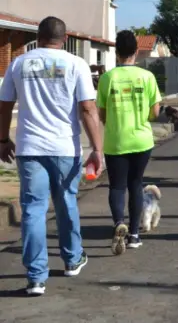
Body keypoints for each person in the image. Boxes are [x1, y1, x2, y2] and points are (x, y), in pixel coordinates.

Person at [0, 16, 103, 296]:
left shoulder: (19, 63)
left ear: (38, 35)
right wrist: (97, 148)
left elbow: (4, 104)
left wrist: (1, 139)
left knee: (33, 209)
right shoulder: (76, 64)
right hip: (64, 149)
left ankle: (35, 276)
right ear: (65, 38)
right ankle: (72, 259)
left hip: (29, 148)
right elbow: (87, 109)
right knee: (66, 202)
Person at [97, 30, 162, 256]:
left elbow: (102, 113)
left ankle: (118, 223)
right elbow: (155, 111)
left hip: (115, 140)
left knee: (116, 186)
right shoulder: (147, 77)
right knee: (136, 184)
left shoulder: (107, 78)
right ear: (136, 51)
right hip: (141, 140)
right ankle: (134, 235)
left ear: (116, 52)